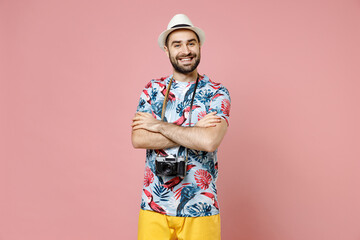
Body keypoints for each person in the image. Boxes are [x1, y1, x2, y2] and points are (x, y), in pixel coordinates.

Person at [131, 13, 231, 240]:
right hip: (153, 207)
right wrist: (194, 129)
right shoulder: (152, 89)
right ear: (167, 50)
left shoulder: (216, 92)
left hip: (201, 206)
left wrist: (157, 125)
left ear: (199, 46)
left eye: (191, 43)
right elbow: (139, 138)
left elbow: (209, 141)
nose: (185, 50)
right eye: (177, 44)